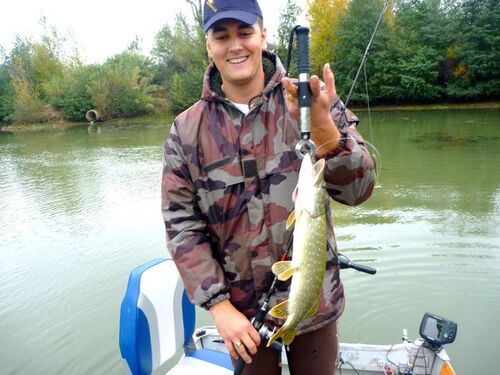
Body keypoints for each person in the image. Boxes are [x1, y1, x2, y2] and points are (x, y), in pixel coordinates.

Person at [161, 0, 376, 373]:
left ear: (263, 34)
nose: (235, 46)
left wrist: (326, 131)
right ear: (208, 44)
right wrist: (218, 306)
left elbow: (360, 190)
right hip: (241, 316)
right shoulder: (186, 130)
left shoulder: (312, 101)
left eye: (245, 32)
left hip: (314, 306)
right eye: (221, 35)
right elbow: (181, 223)